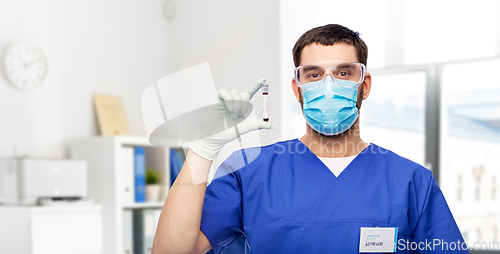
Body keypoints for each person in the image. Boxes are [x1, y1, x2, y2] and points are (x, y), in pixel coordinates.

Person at [152, 24, 468, 253]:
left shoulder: (411, 180)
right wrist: (203, 149)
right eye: (314, 74)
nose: (328, 85)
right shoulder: (250, 171)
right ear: (297, 87)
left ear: (365, 85)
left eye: (344, 73)